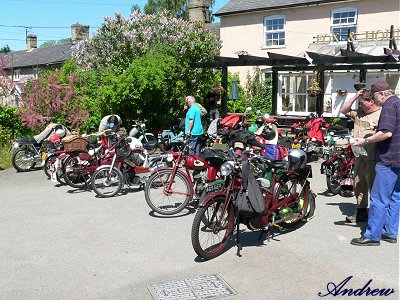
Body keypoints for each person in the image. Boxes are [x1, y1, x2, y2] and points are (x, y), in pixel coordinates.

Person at [350, 81, 400, 246]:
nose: (373, 100)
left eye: (374, 96)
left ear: (382, 94)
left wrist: (365, 141)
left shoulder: (388, 105)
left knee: (379, 198)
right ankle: (390, 233)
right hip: (398, 158)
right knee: (395, 198)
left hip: (389, 159)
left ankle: (372, 236)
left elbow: (386, 133)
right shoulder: (398, 103)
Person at [339, 89, 381, 223]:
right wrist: (355, 96)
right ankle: (361, 212)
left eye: (362, 103)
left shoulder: (381, 114)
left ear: (371, 101)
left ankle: (376, 217)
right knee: (359, 184)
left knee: (374, 186)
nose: (360, 105)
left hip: (373, 157)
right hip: (359, 156)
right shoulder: (358, 114)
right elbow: (343, 110)